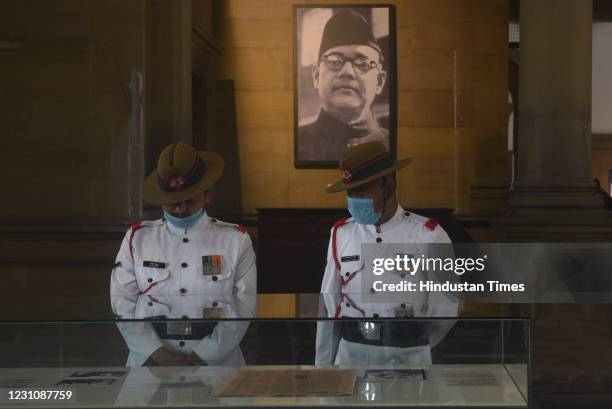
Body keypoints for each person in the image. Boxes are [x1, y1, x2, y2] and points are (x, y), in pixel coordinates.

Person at [110, 142, 256, 367]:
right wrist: (157, 353)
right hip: (150, 364)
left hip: (218, 363)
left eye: (190, 201)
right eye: (172, 203)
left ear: (207, 195)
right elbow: (122, 301)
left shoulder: (235, 240)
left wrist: (203, 357)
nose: (180, 210)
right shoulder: (137, 239)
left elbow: (244, 305)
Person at [315, 141, 458, 367]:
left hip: (408, 357)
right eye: (350, 193)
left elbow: (446, 309)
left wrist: (415, 345)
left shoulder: (428, 236)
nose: (354, 200)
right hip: (352, 356)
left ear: (388, 185)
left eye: (361, 192)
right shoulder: (341, 234)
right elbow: (329, 303)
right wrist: (323, 367)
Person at [298, 8, 389, 162]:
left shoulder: (391, 146)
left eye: (363, 63)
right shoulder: (298, 143)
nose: (347, 72)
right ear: (316, 75)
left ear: (379, 81)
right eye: (334, 61)